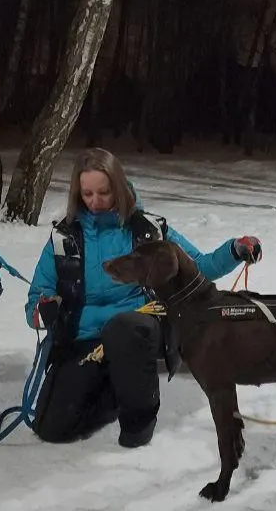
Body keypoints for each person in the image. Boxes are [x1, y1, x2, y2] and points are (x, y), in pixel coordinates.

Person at [25, 148, 262, 448]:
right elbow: (37, 296)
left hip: (138, 328)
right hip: (84, 339)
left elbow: (196, 266)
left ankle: (140, 419)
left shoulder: (148, 229)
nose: (95, 202)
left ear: (119, 188)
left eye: (104, 192)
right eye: (87, 194)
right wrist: (41, 310)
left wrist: (235, 249)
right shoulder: (63, 239)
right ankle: (111, 387)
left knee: (123, 328)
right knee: (52, 428)